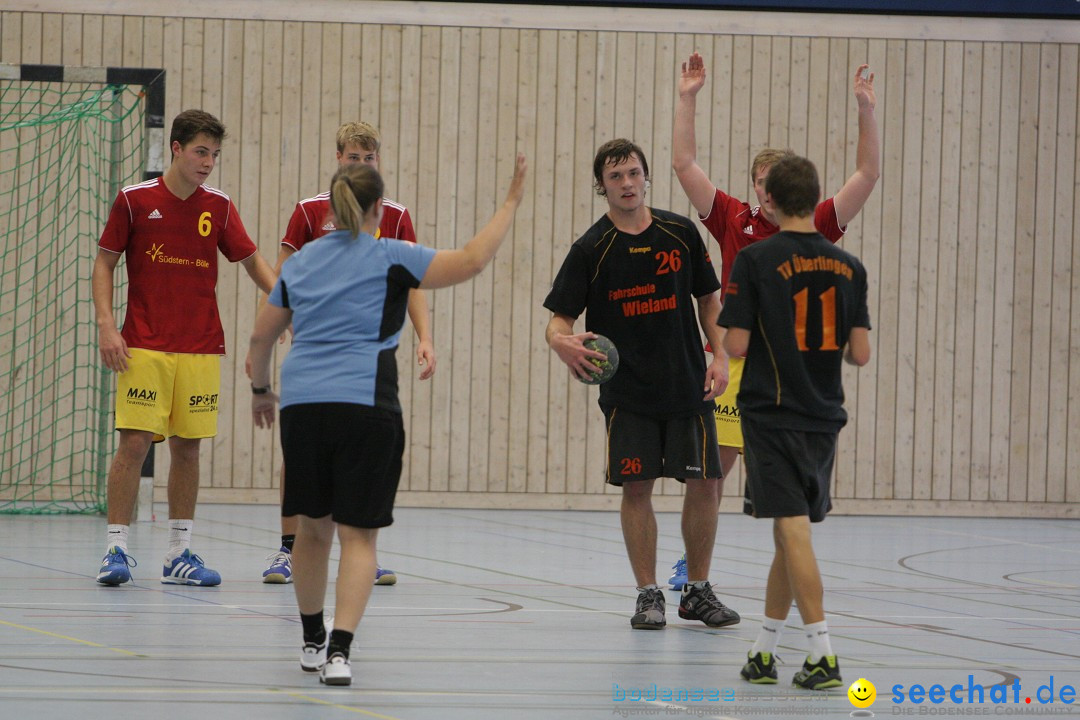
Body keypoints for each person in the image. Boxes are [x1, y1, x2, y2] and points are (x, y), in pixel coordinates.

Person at [248, 154, 527, 686]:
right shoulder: (391, 256)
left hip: (304, 407)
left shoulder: (300, 262)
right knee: (359, 538)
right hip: (366, 405)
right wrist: (511, 200)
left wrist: (262, 392)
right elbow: (471, 260)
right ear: (379, 207)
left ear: (331, 208)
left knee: (311, 531)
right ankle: (338, 652)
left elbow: (261, 339)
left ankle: (310, 639)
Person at [667, 52, 880, 590]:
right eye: (759, 181)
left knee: (785, 495)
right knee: (714, 470)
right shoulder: (734, 220)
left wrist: (865, 111)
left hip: (795, 374)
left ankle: (785, 599)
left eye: (774, 181)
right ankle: (693, 568)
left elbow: (867, 175)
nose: (766, 189)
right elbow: (685, 165)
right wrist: (688, 98)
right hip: (738, 364)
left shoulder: (818, 229)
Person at [544, 139, 739, 631]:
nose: (627, 183)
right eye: (615, 177)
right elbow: (558, 321)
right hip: (628, 394)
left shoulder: (679, 233)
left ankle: (697, 591)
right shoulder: (592, 248)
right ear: (602, 186)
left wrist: (718, 356)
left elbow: (709, 302)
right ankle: (648, 594)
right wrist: (562, 344)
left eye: (633, 173)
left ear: (646, 177)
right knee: (637, 489)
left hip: (689, 387)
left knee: (704, 484)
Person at [93, 109, 276, 586]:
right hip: (144, 346)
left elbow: (254, 264)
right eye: (200, 152)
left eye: (214, 154)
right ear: (175, 149)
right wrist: (106, 326)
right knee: (133, 444)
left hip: (199, 348)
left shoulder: (218, 206)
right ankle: (115, 549)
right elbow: (104, 264)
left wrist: (287, 307)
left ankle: (179, 553)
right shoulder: (134, 200)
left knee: (189, 449)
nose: (208, 162)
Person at [718, 154, 871, 689]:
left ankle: (823, 653)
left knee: (791, 528)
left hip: (771, 412)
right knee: (789, 533)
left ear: (774, 201)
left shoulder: (756, 261)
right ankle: (764, 652)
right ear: (816, 196)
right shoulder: (850, 267)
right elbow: (861, 352)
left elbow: (735, 343)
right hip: (825, 416)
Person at [260, 121, 433, 587]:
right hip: (316, 353)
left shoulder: (393, 216)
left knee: (359, 455)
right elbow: (282, 272)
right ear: (339, 159)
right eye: (353, 157)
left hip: (366, 359)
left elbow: (412, 282)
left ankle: (360, 551)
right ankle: (287, 549)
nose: (360, 165)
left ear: (379, 162)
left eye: (368, 158)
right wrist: (279, 320)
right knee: (303, 458)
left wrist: (424, 336)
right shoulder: (310, 211)